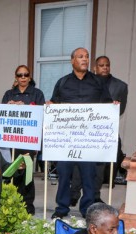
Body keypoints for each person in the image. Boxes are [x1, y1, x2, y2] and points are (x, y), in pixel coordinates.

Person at [48, 47, 113, 219]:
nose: (85, 59)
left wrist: (113, 106)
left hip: (88, 139)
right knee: (63, 174)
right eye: (80, 56)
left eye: (87, 56)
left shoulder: (98, 82)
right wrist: (50, 106)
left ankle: (87, 209)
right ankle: (62, 208)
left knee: (89, 176)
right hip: (66, 139)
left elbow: (107, 105)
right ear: (72, 61)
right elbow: (54, 104)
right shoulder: (62, 82)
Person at [70, 55, 128, 205]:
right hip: (83, 130)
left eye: (107, 65)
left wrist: (112, 107)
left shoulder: (120, 86)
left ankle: (95, 195)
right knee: (79, 161)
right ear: (95, 68)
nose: (105, 68)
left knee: (100, 165)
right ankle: (74, 193)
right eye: (101, 65)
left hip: (104, 131)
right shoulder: (85, 82)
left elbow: (120, 110)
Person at [1, 64, 45, 214]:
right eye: (20, 75)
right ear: (16, 77)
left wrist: (25, 106)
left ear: (30, 77)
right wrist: (9, 106)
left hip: (29, 140)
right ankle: (12, 202)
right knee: (12, 170)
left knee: (27, 172)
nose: (23, 77)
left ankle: (27, 205)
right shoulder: (9, 94)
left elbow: (41, 114)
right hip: (13, 139)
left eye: (26, 74)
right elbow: (2, 114)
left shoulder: (37, 93)